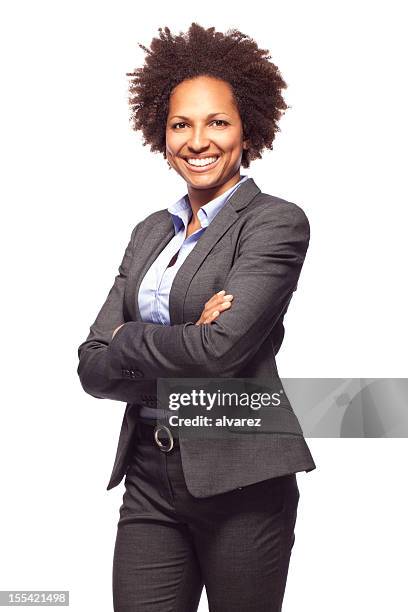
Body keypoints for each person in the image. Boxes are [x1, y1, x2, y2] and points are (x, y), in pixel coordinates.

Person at [77, 22, 316, 612]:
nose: (197, 140)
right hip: (148, 474)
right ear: (162, 134)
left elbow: (223, 351)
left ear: (246, 130)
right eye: (181, 124)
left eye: (217, 122)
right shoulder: (150, 233)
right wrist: (168, 336)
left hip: (241, 477)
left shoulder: (273, 223)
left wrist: (129, 339)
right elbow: (91, 367)